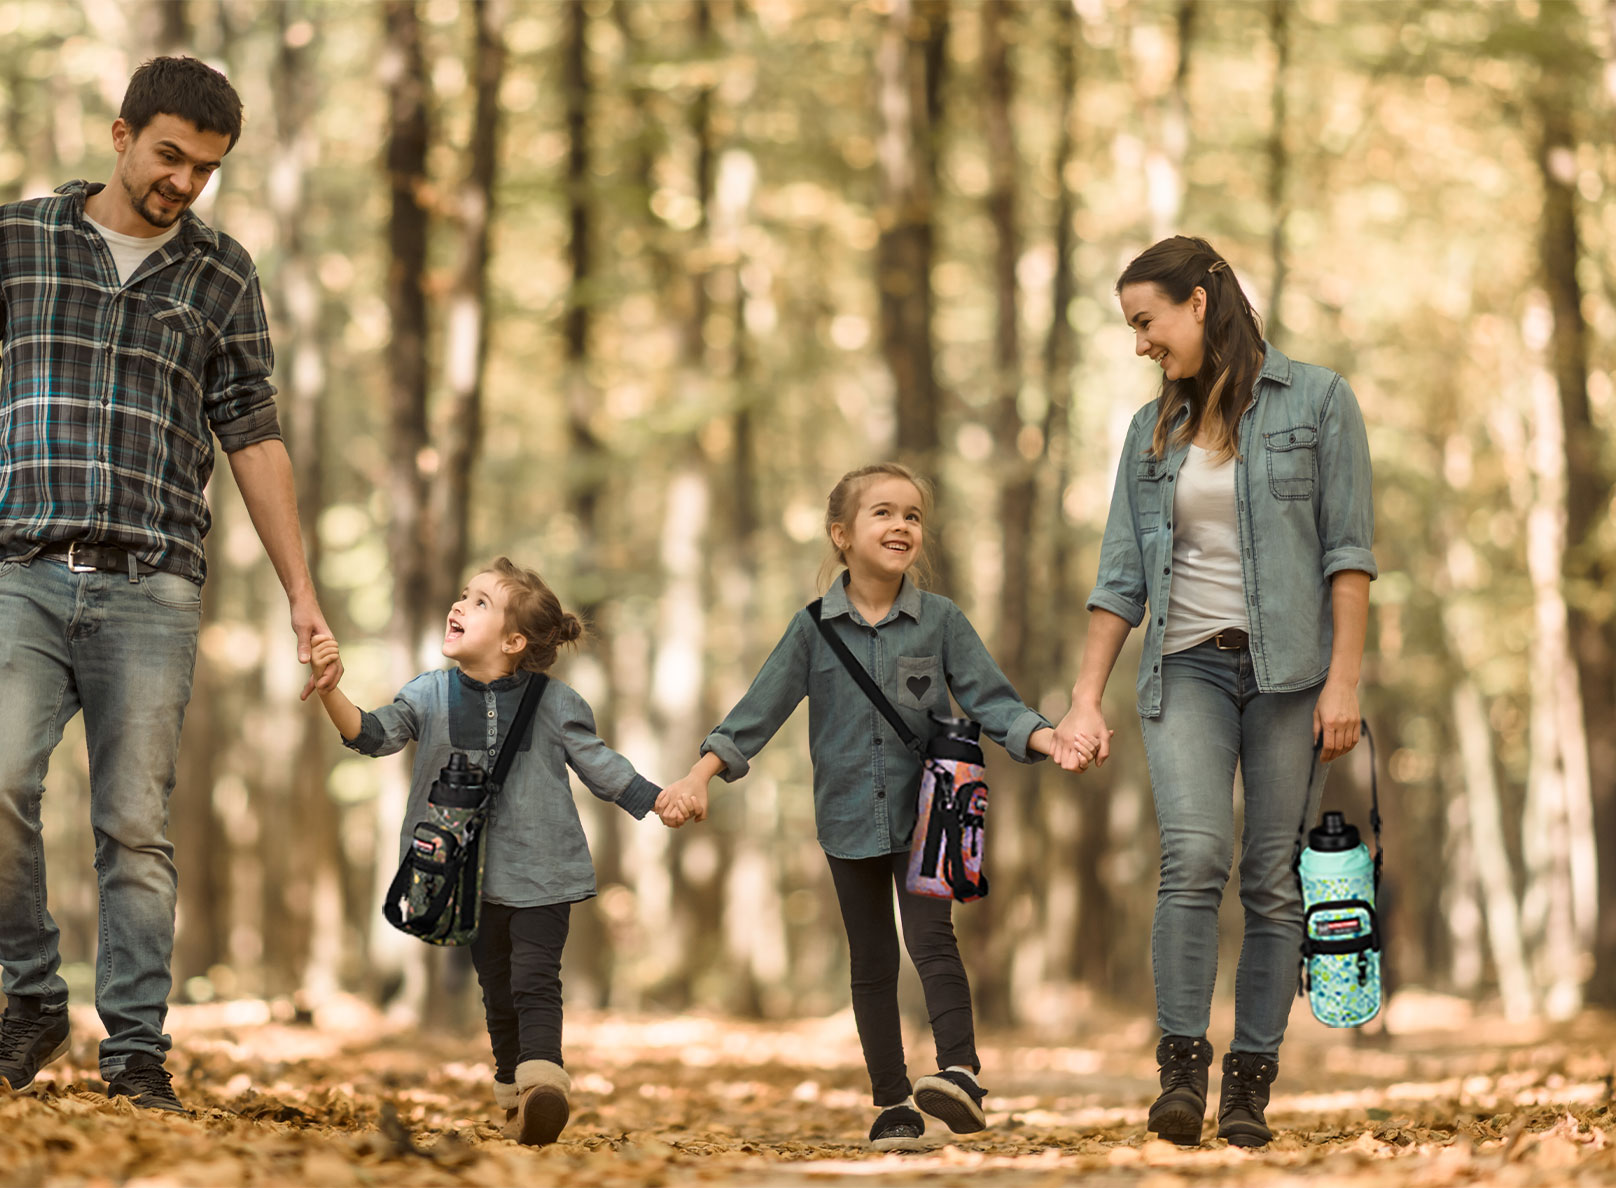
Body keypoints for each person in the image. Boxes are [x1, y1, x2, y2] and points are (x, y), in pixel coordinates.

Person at [0, 56, 337, 1113]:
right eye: (170, 156)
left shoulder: (223, 274)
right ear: (122, 132)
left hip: (154, 587)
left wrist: (300, 595)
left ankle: (135, 1052)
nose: (183, 182)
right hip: (20, 573)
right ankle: (34, 996)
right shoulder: (19, 237)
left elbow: (254, 438)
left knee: (135, 826)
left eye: (206, 169)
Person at [1053, 235, 1375, 1148]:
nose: (1141, 343)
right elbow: (1121, 578)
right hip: (1185, 665)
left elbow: (1348, 557)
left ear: (1199, 302)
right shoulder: (1149, 432)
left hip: (1293, 678)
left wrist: (1342, 682)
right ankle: (1182, 1071)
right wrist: (1084, 697)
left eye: (1147, 321)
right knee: (1193, 859)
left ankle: (1250, 1085)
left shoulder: (1320, 401)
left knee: (1272, 881)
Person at [659, 463, 1072, 1151]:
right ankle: (892, 1105)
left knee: (933, 941)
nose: (902, 526)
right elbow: (757, 712)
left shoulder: (940, 621)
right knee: (873, 960)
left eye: (912, 515)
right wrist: (700, 775)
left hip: (932, 815)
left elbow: (992, 700)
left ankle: (961, 1074)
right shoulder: (812, 630)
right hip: (845, 816)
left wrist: (1048, 737)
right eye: (883, 513)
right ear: (842, 535)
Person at [308, 558, 690, 1146]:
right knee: (496, 987)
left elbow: (600, 766)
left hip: (545, 870)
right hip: (465, 875)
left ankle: (544, 1085)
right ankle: (517, 1097)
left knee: (535, 979)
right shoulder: (428, 694)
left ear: (514, 642)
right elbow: (371, 735)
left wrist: (658, 798)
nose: (459, 605)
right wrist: (333, 691)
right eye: (463, 595)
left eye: (480, 602)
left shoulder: (555, 702)